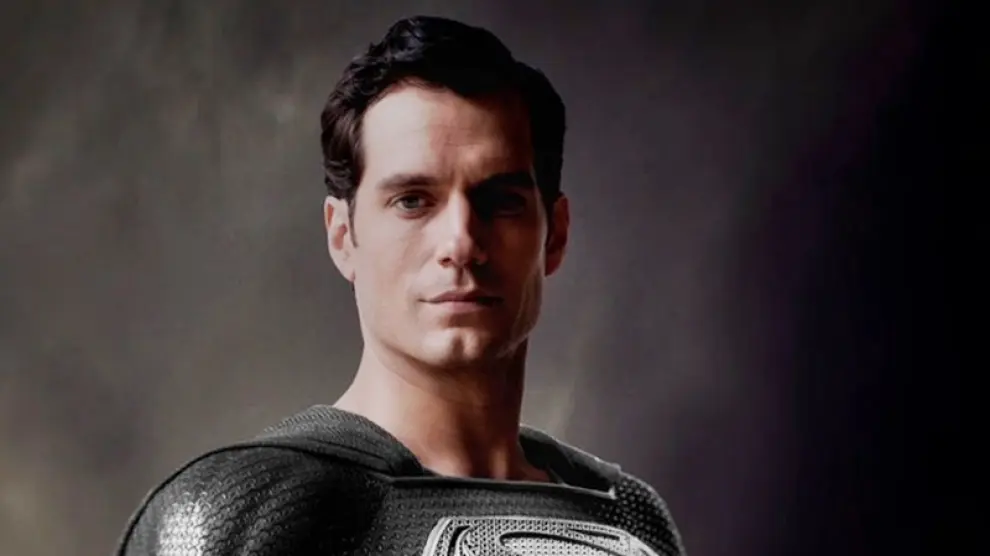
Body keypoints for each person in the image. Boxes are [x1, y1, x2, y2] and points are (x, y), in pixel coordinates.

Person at [116, 15, 686, 556]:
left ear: (554, 235)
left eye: (502, 202)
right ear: (343, 235)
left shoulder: (627, 516)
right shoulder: (245, 515)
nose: (461, 242)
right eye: (412, 201)